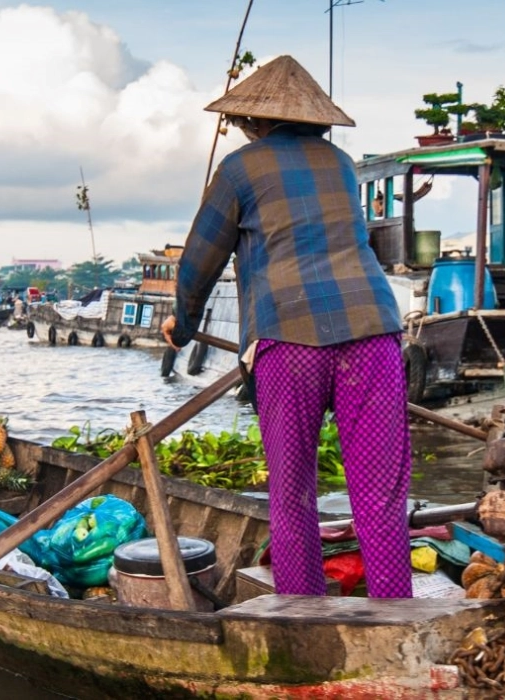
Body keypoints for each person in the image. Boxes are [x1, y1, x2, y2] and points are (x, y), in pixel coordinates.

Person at [161, 56, 412, 599]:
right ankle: (395, 607)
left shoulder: (237, 169)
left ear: (254, 122)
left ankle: (302, 607)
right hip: (373, 332)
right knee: (380, 491)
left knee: (292, 490)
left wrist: (181, 327)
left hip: (289, 340)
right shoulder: (342, 164)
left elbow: (200, 260)